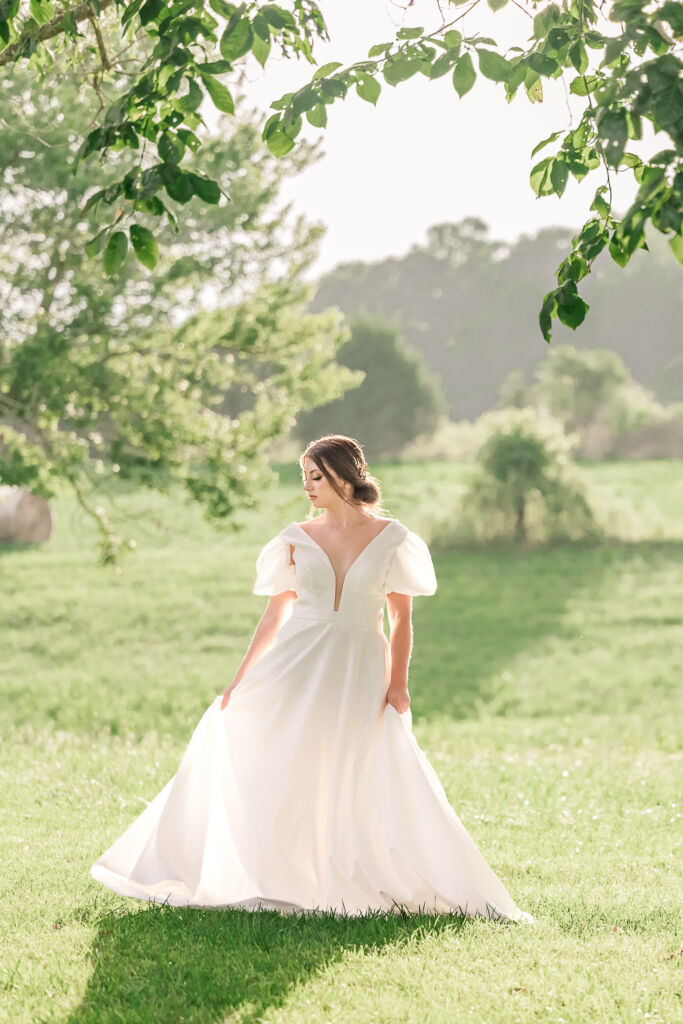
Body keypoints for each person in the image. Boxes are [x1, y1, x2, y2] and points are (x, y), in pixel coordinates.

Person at [90, 434, 534, 923]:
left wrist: (399, 683)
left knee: (357, 764)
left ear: (345, 475)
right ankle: (267, 871)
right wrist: (239, 680)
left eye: (315, 476)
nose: (307, 486)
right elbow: (273, 615)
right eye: (304, 476)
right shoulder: (295, 539)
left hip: (360, 665)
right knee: (273, 754)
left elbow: (402, 620)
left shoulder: (394, 538)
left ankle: (354, 871)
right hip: (296, 664)